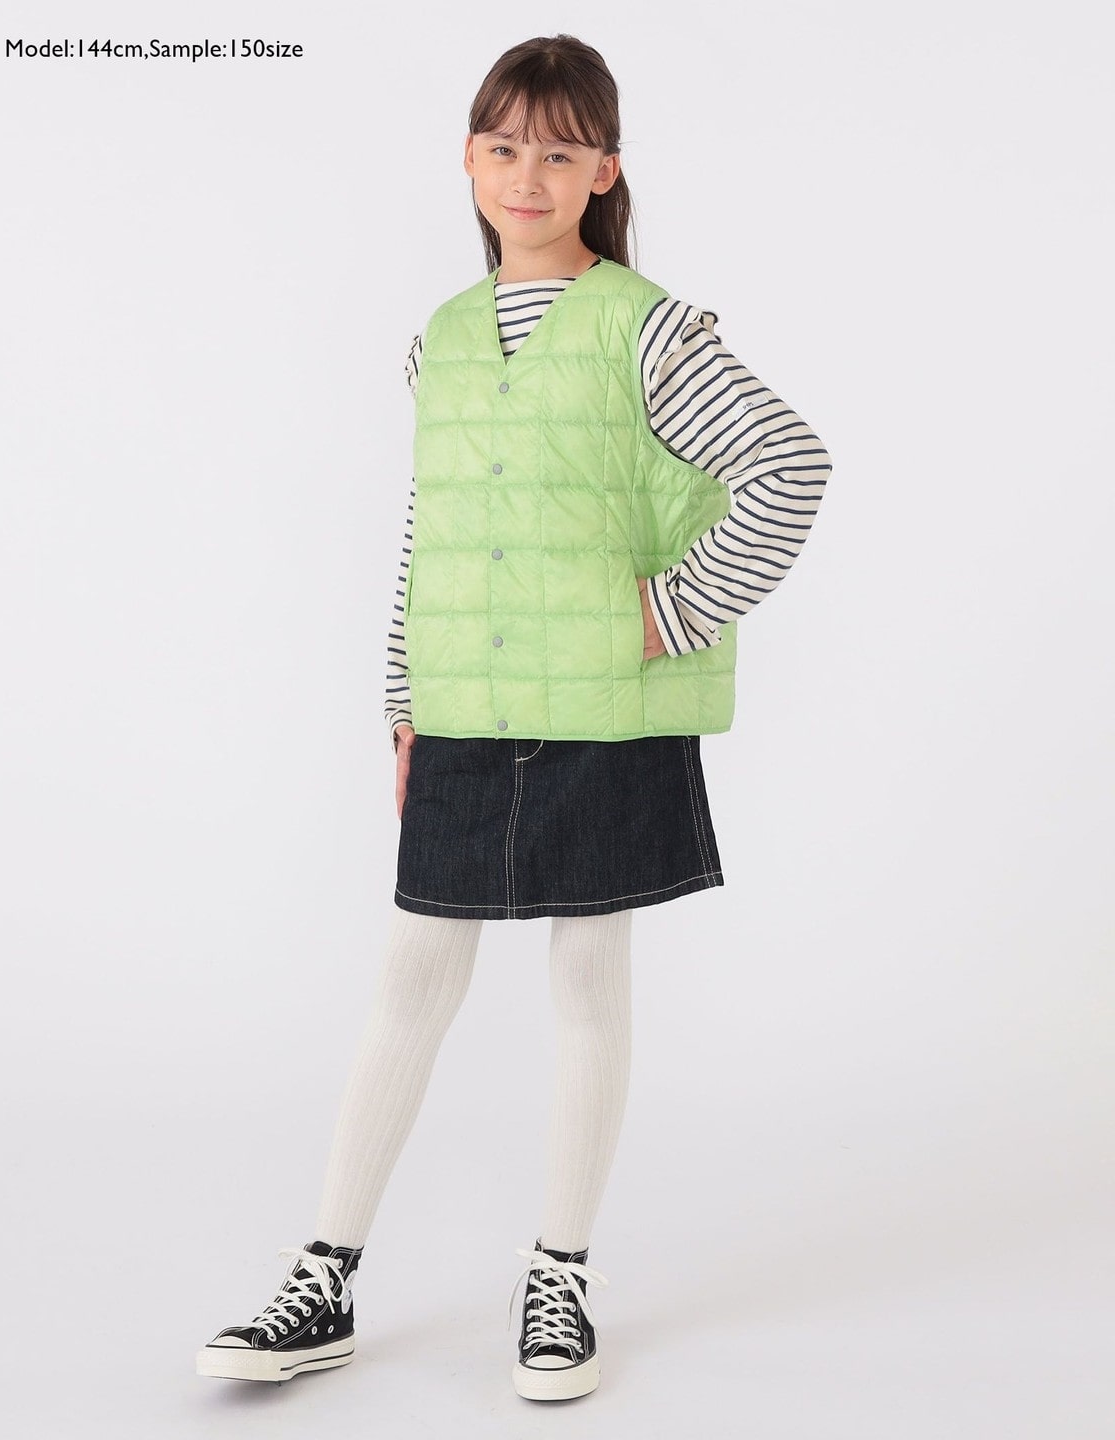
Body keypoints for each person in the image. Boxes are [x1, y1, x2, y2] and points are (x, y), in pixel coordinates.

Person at [197, 32, 832, 1404]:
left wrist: (673, 612)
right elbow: (431, 528)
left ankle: (560, 1278)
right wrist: (402, 696)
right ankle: (325, 1272)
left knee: (588, 984)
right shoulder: (436, 338)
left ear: (605, 170)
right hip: (466, 702)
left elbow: (788, 463)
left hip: (604, 708)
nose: (527, 175)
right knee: (411, 980)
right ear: (469, 161)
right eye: (503, 146)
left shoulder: (650, 327)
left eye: (559, 149)